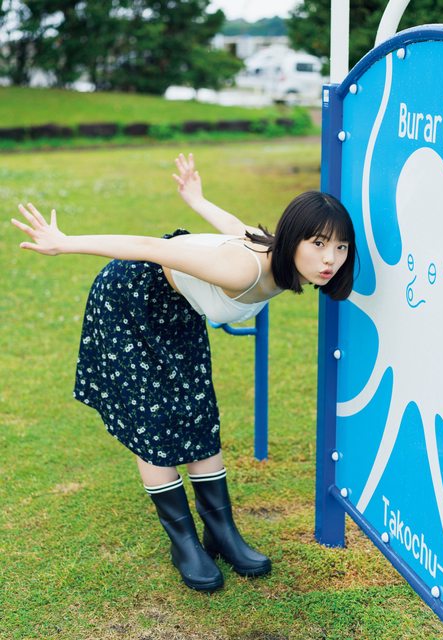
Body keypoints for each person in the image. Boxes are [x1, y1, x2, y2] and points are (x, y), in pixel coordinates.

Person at [11, 152, 356, 593]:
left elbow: (234, 225)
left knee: (198, 412)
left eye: (340, 247)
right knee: (153, 421)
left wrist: (197, 199)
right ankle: (185, 544)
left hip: (177, 309)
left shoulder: (279, 255)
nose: (330, 259)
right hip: (130, 300)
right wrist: (66, 243)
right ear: (292, 240)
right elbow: (150, 247)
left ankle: (222, 532)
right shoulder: (243, 269)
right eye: (319, 244)